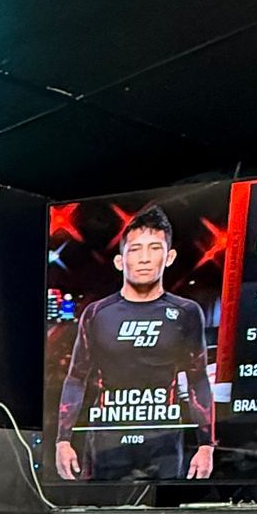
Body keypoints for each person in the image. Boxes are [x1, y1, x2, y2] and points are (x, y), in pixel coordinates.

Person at [54, 205, 216, 483]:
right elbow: (76, 378)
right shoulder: (96, 313)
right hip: (107, 439)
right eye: (135, 249)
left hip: (163, 441)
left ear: (169, 257)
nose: (144, 258)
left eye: (154, 248)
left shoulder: (187, 312)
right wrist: (62, 440)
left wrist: (206, 445)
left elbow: (198, 376)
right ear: (120, 260)